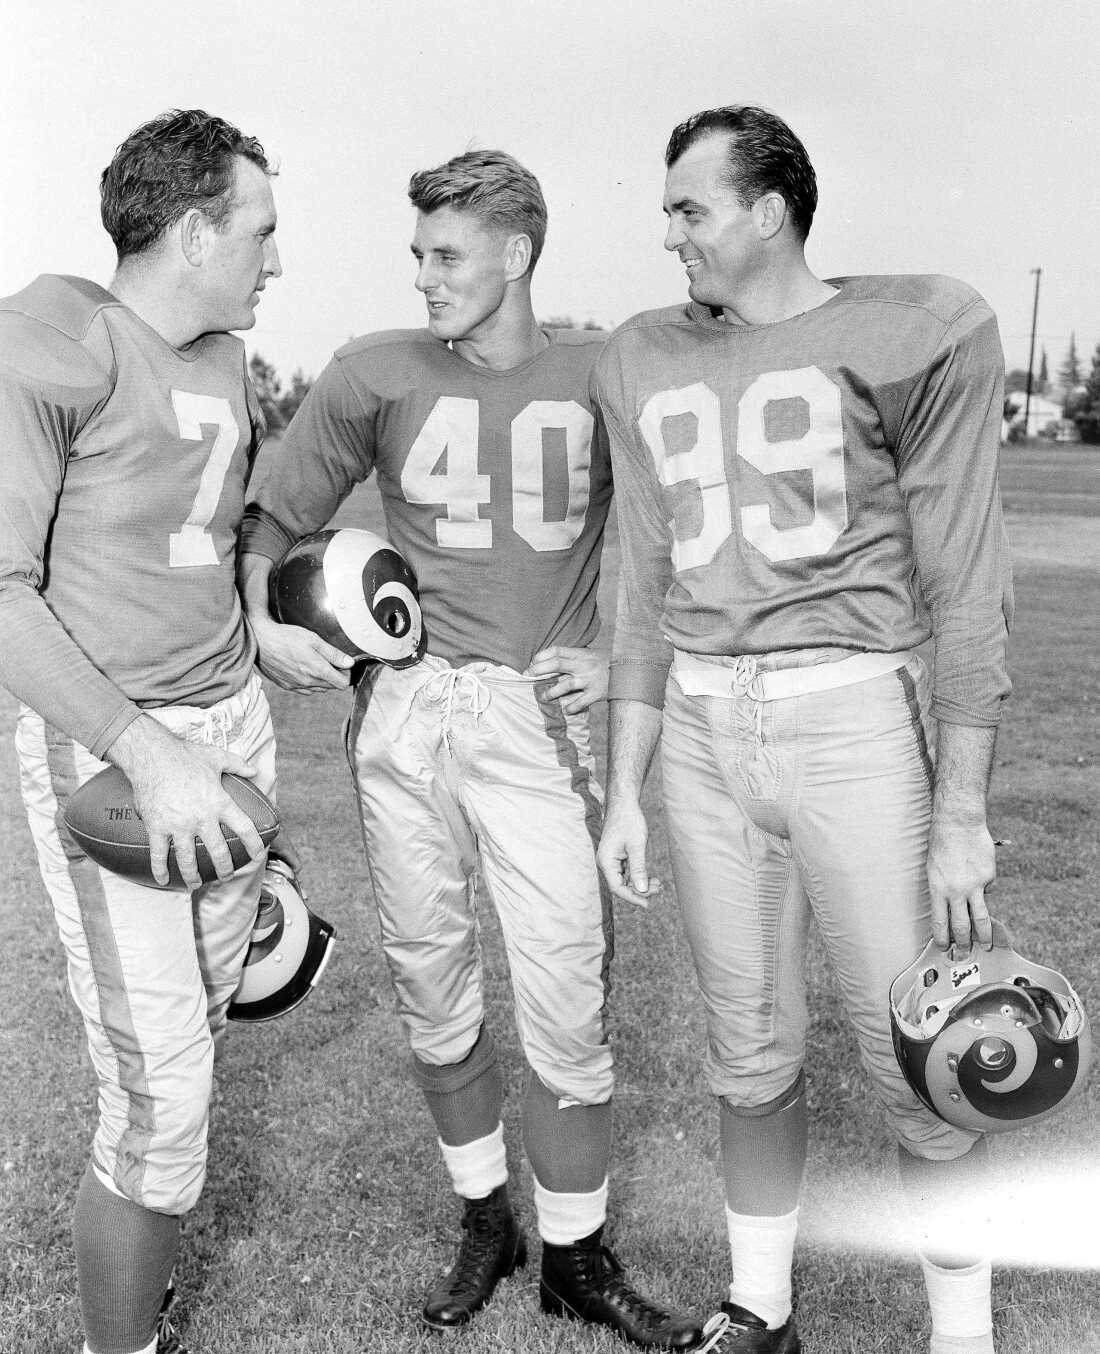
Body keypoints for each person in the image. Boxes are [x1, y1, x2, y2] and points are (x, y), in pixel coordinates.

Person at [238, 148, 701, 1350]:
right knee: (430, 975)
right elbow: (274, 513)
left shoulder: (604, 369)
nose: (426, 277)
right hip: (406, 711)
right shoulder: (373, 370)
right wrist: (258, 617)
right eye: (419, 256)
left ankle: (579, 1252)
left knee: (562, 988)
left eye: (448, 255)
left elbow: (686, 534)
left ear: (517, 254)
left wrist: (614, 655)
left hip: (533, 716)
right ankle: (486, 1214)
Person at [593, 105, 1012, 1354]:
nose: (668, 232)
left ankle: (961, 1333)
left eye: (688, 208)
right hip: (706, 733)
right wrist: (623, 786)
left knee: (920, 1049)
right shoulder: (642, 355)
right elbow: (640, 579)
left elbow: (964, 588)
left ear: (767, 212)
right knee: (745, 1044)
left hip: (854, 726)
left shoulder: (910, 333)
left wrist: (964, 814)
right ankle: (761, 1304)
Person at [0, 110, 283, 1354]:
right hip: (119, 748)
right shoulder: (50, 344)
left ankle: (142, 1303)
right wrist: (144, 745)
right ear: (192, 228)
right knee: (161, 1101)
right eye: (260, 232)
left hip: (232, 728)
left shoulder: (222, 355)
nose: (275, 262)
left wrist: (267, 630)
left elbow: (204, 542)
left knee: (191, 1055)